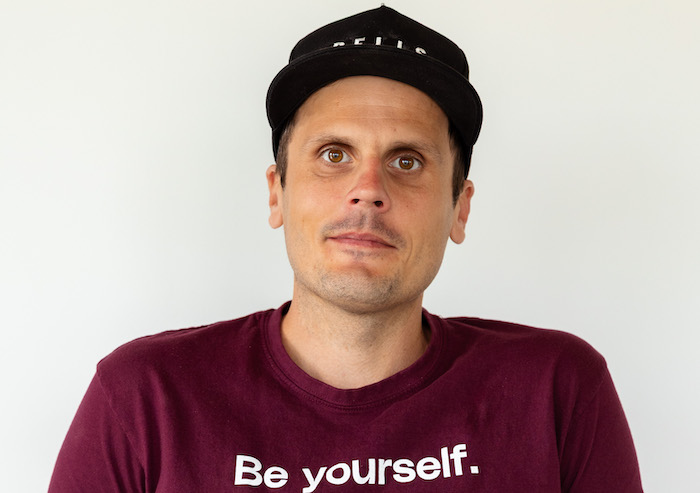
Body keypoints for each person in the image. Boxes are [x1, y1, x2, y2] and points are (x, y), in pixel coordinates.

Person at [49, 6, 643, 492]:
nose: (368, 190)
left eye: (407, 161)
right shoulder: (144, 397)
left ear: (459, 209)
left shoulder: (556, 390)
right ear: (277, 193)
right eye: (333, 154)